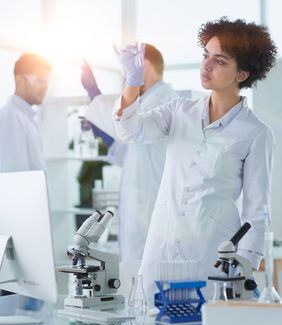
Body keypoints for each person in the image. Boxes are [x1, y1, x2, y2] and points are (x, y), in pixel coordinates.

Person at [113, 18, 278, 299]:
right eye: (206, 55)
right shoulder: (179, 111)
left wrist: (244, 263)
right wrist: (132, 84)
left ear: (242, 74)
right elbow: (130, 130)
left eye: (220, 61)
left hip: (210, 253)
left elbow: (257, 210)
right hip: (162, 248)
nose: (207, 65)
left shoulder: (255, 133)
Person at [81, 44, 178, 261]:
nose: (126, 75)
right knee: (134, 271)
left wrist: (94, 95)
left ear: (144, 64)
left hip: (150, 204)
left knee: (145, 272)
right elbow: (128, 150)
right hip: (141, 202)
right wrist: (103, 132)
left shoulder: (162, 100)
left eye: (129, 68)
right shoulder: (148, 99)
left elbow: (129, 126)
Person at [0, 53, 51, 172]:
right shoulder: (12, 118)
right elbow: (15, 176)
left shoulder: (25, 117)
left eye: (47, 81)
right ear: (19, 80)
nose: (45, 87)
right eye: (40, 80)